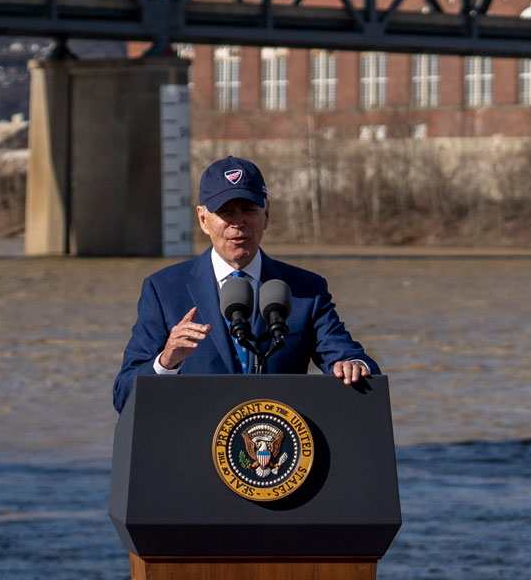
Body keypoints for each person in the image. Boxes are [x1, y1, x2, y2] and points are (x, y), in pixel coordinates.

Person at [112, 156, 378, 413]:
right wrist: (166, 362)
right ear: (203, 220)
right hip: (195, 452)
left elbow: (353, 360)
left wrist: (352, 366)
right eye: (225, 211)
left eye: (248, 209)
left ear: (266, 214)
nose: (238, 223)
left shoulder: (307, 289)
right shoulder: (164, 290)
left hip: (280, 449)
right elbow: (124, 396)